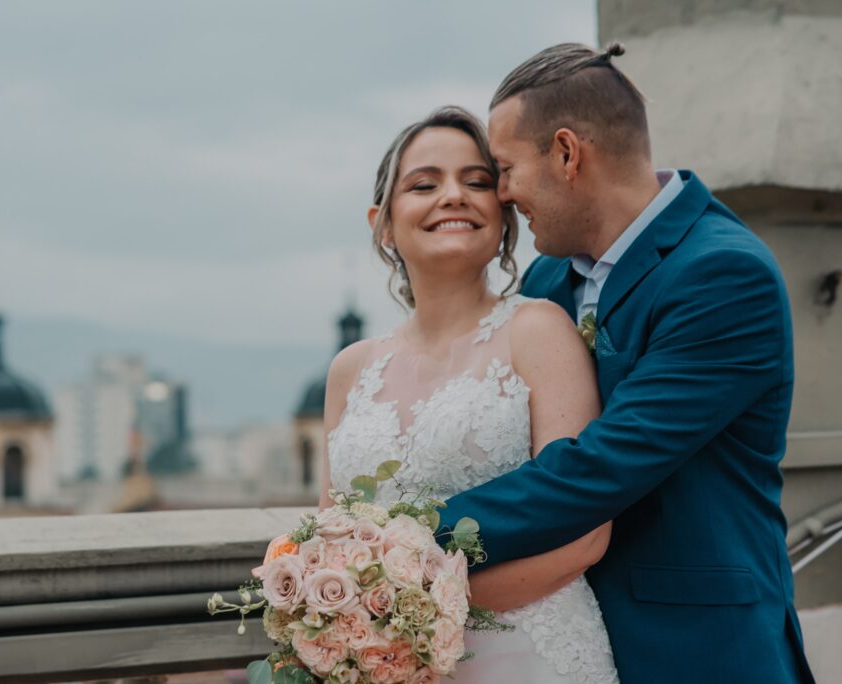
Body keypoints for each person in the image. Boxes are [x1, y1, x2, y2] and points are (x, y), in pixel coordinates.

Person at [436, 43, 816, 683]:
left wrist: (410, 535)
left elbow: (599, 466)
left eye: (504, 169)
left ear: (566, 154)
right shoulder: (547, 278)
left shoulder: (724, 275)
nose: (501, 195)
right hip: (563, 642)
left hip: (698, 649)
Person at [321, 106, 620, 683]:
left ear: (503, 216)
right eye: (424, 184)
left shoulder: (539, 330)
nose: (453, 195)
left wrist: (408, 620)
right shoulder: (349, 370)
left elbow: (584, 537)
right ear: (382, 222)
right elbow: (330, 539)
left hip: (527, 658)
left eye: (477, 182)